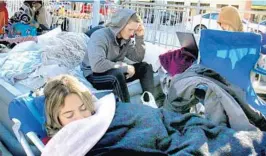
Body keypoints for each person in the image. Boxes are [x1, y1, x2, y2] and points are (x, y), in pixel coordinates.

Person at [42, 74, 266, 155]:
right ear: (57, 120)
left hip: (169, 130)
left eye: (83, 108)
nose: (81, 118)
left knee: (220, 137)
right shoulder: (66, 146)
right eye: (69, 114)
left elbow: (153, 119)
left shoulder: (108, 112)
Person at [82, 8, 154, 103]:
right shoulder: (99, 36)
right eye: (130, 29)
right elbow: (97, 65)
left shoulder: (126, 39)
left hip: (115, 70)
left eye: (134, 30)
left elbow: (138, 57)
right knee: (117, 74)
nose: (132, 33)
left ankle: (150, 103)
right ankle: (127, 110)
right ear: (120, 25)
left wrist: (139, 37)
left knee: (145, 67)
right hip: (95, 74)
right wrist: (125, 67)